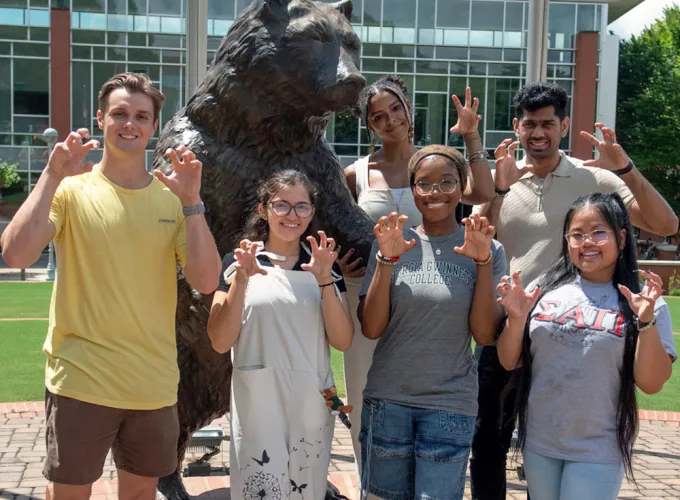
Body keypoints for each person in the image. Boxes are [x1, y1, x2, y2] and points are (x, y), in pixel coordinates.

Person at [0, 72, 221, 500]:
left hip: (152, 383)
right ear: (100, 119)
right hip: (81, 379)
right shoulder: (70, 189)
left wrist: (193, 202)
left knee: (140, 496)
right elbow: (15, 255)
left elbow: (207, 279)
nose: (130, 123)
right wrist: (51, 175)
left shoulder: (172, 198)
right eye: (119, 113)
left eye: (141, 116)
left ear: (154, 126)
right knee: (69, 496)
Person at [470, 81, 679, 500]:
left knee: (550, 444)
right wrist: (499, 189)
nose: (538, 133)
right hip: (507, 327)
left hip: (568, 330)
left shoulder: (595, 177)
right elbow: (477, 235)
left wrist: (625, 168)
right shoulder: (500, 177)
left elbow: (665, 224)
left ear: (563, 125)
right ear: (517, 126)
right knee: (488, 442)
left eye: (548, 123)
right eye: (530, 124)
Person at [341, 74, 495, 473]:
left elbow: (482, 193)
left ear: (408, 109)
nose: (389, 120)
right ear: (368, 124)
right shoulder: (356, 173)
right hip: (371, 294)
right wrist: (341, 267)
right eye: (377, 116)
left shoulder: (434, 166)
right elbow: (332, 224)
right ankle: (370, 487)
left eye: (395, 108)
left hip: (432, 295)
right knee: (363, 399)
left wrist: (472, 137)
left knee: (424, 394)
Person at [495, 192, 676, 499]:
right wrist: (516, 318)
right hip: (540, 440)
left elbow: (652, 383)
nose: (587, 242)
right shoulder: (544, 292)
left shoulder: (644, 303)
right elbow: (509, 361)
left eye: (598, 232)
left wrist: (645, 323)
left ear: (621, 238)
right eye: (577, 234)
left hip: (598, 446)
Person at [357, 145, 507, 500]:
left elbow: (485, 333)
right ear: (412, 189)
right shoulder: (393, 240)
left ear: (462, 186)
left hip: (449, 405)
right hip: (388, 401)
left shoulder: (488, 248)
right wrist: (385, 259)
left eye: (446, 182)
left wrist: (483, 262)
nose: (435, 192)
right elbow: (371, 328)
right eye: (424, 183)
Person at [207, 169, 354, 500]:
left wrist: (325, 281)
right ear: (264, 209)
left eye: (302, 206)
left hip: (311, 400)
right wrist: (241, 281)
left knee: (306, 490)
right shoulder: (240, 262)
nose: (292, 215)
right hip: (258, 401)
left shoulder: (324, 266)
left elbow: (343, 340)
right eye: (282, 205)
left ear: (311, 212)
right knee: (259, 489)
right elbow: (219, 340)